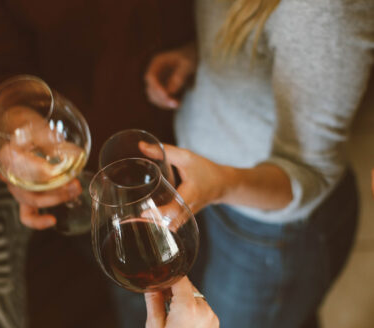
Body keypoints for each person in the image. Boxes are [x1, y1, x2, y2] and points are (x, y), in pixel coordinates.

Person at [0, 0, 198, 327]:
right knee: (141, 290)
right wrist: (17, 126)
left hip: (201, 148)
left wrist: (195, 51)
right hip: (94, 163)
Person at [144, 0, 374, 327]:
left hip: (272, 235)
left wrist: (222, 184)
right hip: (213, 195)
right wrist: (199, 55)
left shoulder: (325, 10)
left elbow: (309, 170)